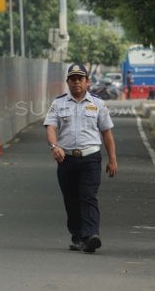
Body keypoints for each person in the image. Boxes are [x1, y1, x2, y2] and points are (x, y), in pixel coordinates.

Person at [43, 63, 118, 254]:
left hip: (90, 158)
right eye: (73, 79)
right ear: (67, 82)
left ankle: (91, 235)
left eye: (80, 79)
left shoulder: (98, 104)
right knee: (71, 199)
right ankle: (77, 237)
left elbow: (107, 134)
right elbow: (51, 127)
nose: (76, 82)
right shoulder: (58, 103)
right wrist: (54, 146)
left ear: (87, 82)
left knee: (88, 196)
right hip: (66, 159)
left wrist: (113, 159)